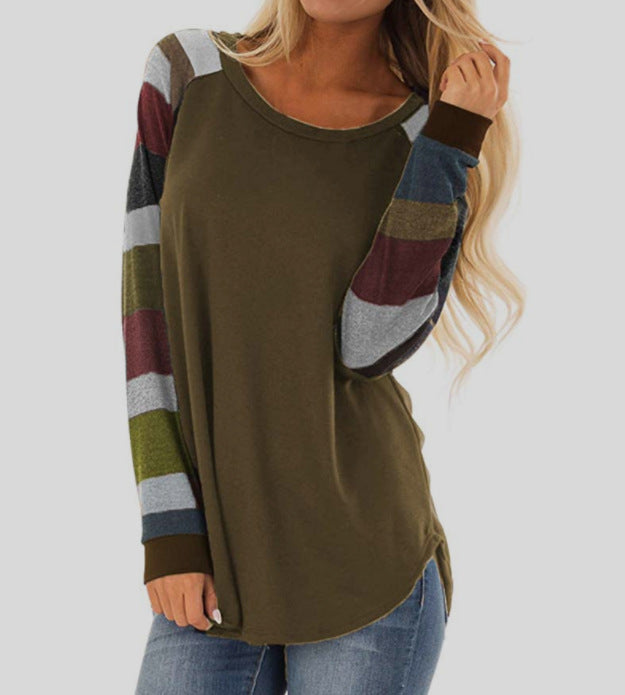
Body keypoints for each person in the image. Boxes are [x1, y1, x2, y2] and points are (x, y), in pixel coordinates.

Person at [121, 0, 521, 692]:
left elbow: (368, 345)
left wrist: (451, 140)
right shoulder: (189, 71)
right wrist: (169, 529)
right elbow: (145, 310)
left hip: (364, 568)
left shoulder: (424, 132)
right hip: (215, 554)